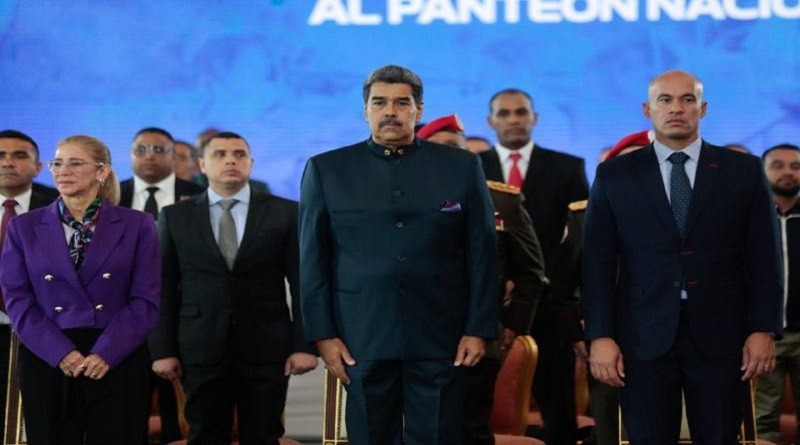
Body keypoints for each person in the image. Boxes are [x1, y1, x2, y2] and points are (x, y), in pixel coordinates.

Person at [299, 65, 498, 445]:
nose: (390, 111)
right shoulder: (327, 169)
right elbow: (313, 260)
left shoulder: (461, 165)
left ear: (418, 110)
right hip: (361, 335)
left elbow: (483, 254)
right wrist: (323, 335)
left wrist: (478, 328)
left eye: (401, 103)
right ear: (365, 110)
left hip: (443, 334)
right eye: (379, 102)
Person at [582, 69, 783, 443]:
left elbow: (764, 257)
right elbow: (597, 263)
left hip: (724, 335)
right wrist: (600, 335)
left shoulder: (741, 170)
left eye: (687, 99)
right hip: (641, 337)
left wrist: (763, 328)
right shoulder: (615, 174)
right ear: (648, 110)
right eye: (665, 99)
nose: (676, 108)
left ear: (702, 109)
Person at [149, 131, 317, 444]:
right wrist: (163, 350)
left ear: (251, 163)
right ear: (202, 165)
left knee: (264, 434)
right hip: (200, 346)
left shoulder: (286, 212)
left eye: (239, 154)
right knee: (204, 434)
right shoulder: (174, 216)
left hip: (266, 345)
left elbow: (303, 284)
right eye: (220, 154)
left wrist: (303, 346)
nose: (230, 160)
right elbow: (163, 288)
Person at [0, 135, 160, 445]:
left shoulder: (138, 224)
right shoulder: (24, 226)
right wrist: (61, 353)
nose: (63, 171)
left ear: (102, 171)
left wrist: (106, 353)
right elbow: (17, 298)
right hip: (48, 355)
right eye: (57, 163)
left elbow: (145, 299)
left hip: (116, 353)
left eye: (75, 163)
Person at [417, 114, 548, 444]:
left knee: (470, 429)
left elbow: (531, 272)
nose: (449, 153)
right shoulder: (403, 198)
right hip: (417, 333)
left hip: (478, 335)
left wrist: (511, 328)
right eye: (438, 147)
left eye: (455, 146)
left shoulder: (501, 200)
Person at [480, 88, 589, 445]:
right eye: (505, 113)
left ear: (534, 118)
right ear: (490, 121)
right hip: (491, 307)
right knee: (479, 400)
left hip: (551, 303)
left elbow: (578, 240)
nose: (514, 119)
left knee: (558, 399)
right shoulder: (472, 168)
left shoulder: (567, 167)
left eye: (521, 112)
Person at [0, 129, 56, 440]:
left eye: (19, 155)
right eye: (1, 155)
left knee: (38, 421)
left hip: (43, 330)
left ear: (37, 167)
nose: (8, 162)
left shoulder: (58, 210)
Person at [755, 143, 800, 443]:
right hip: (763, 336)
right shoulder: (749, 216)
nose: (787, 172)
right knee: (761, 421)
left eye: (795, 166)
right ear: (762, 171)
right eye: (777, 165)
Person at [119, 127, 205, 219]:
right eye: (141, 150)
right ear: (131, 154)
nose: (149, 156)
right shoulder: (114, 194)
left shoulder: (200, 195)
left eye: (158, 150)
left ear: (173, 156)